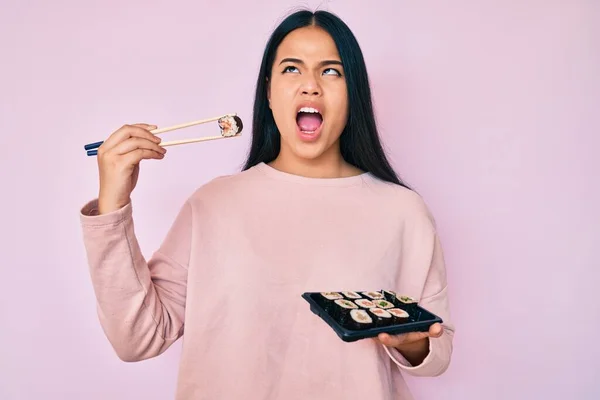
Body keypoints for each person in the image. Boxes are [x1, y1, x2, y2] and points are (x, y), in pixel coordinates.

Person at [79, 9, 455, 400]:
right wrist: (113, 203)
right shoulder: (213, 204)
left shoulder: (402, 210)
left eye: (331, 71)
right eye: (292, 69)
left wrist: (412, 341)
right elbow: (137, 338)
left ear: (353, 92)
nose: (311, 86)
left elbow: (438, 348)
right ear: (269, 91)